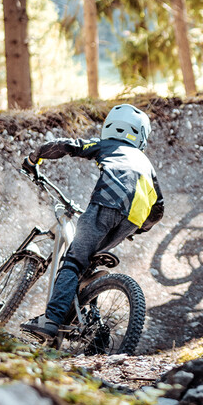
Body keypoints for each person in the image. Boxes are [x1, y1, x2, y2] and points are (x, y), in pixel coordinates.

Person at [19, 103, 164, 340]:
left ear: (110, 127)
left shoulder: (108, 145)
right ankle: (84, 315)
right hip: (133, 218)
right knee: (87, 263)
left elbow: (68, 146)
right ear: (141, 136)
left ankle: (51, 319)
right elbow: (157, 210)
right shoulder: (146, 165)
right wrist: (137, 229)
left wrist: (34, 158)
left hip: (106, 204)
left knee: (74, 261)